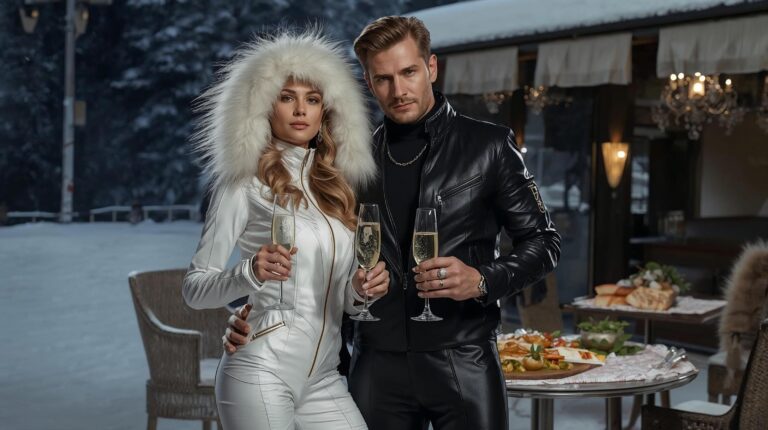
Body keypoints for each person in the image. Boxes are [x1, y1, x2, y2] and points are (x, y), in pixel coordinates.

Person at [226, 16, 561, 430]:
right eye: (383, 78)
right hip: (375, 364)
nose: (398, 90)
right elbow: (306, 251)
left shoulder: (489, 145)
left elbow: (543, 243)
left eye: (409, 72)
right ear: (368, 82)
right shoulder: (346, 161)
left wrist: (482, 280)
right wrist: (249, 317)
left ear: (431, 67)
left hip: (464, 359)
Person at [182, 30, 389, 430]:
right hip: (259, 370)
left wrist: (361, 290)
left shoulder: (336, 188)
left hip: (324, 377)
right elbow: (194, 289)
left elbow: (342, 301)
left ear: (326, 111)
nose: (300, 110)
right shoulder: (243, 183)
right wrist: (249, 272)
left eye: (312, 99)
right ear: (265, 105)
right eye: (286, 97)